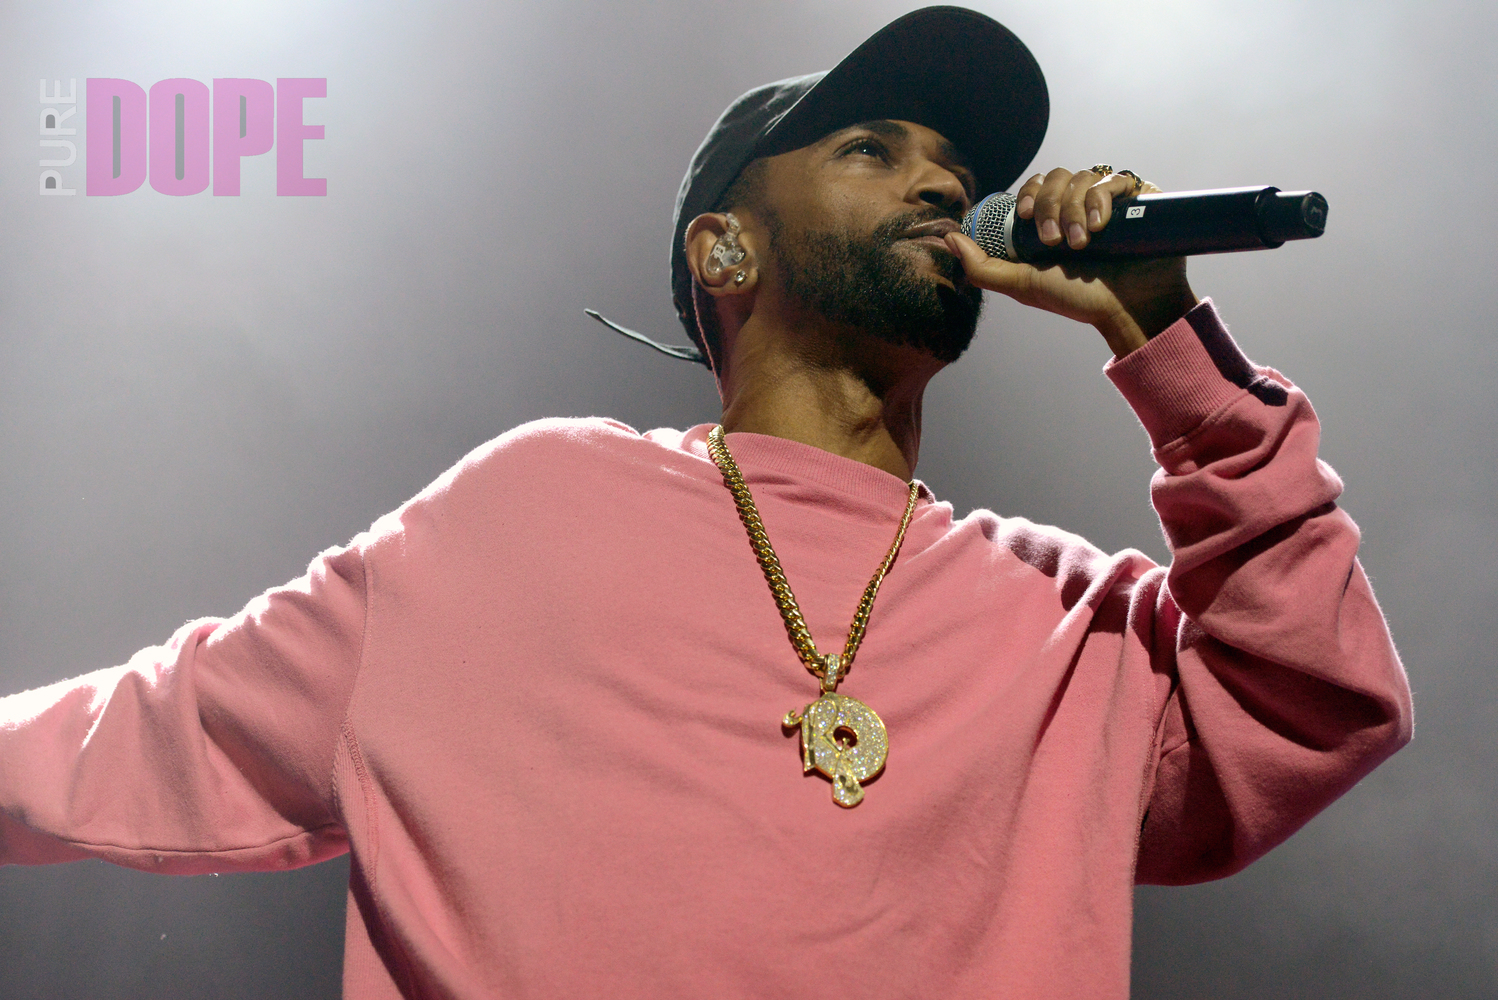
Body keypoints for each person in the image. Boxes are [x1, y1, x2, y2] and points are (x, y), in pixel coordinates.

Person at [0, 7, 1411, 999]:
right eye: (871, 149)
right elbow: (156, 727)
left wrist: (1166, 344)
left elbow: (1317, 702)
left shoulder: (1068, 616)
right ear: (724, 247)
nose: (942, 179)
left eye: (958, 168)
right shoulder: (524, 514)